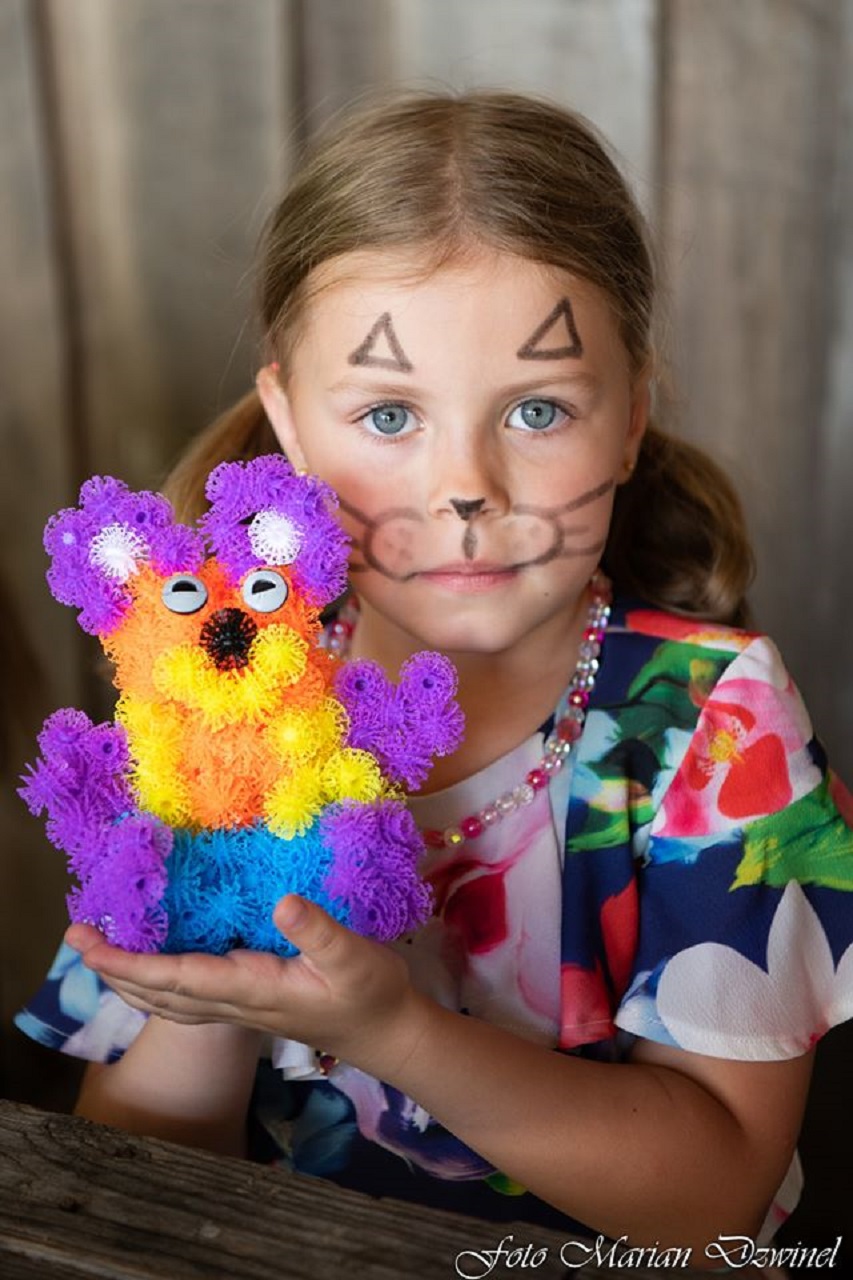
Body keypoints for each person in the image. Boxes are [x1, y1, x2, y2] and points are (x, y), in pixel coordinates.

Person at [16, 90, 853, 1263]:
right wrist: (213, 1000)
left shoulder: (718, 724)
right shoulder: (220, 684)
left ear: (630, 419)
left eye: (538, 407)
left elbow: (711, 1206)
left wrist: (390, 1027)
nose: (467, 486)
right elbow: (129, 1179)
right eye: (388, 413)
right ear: (289, 424)